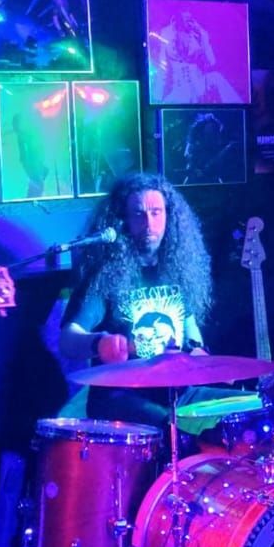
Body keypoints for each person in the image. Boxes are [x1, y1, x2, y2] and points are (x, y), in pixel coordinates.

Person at [59, 173, 212, 426]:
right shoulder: (105, 274)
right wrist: (98, 343)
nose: (149, 223)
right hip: (121, 397)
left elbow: (192, 332)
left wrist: (200, 354)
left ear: (169, 216)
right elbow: (67, 339)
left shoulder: (178, 269)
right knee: (168, 426)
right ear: (124, 220)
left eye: (156, 213)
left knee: (246, 408)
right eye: (139, 214)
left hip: (177, 394)